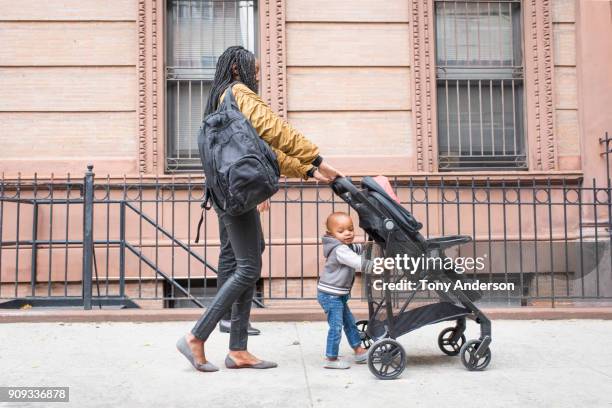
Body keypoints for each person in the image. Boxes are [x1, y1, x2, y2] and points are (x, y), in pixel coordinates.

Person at [176, 45, 344, 372]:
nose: (259, 75)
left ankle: (238, 349)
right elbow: (274, 131)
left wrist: (307, 170)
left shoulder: (220, 99)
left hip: (229, 192)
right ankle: (196, 336)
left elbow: (263, 150)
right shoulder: (240, 93)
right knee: (247, 267)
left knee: (251, 257)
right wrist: (318, 158)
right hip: (237, 193)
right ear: (238, 70)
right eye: (255, 69)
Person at [317, 212, 375, 369]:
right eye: (341, 231)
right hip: (330, 296)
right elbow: (356, 261)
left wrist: (374, 245)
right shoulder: (340, 250)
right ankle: (331, 359)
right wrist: (376, 265)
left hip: (338, 295)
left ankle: (359, 350)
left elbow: (360, 249)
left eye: (350, 229)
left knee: (349, 322)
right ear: (331, 234)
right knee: (336, 326)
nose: (348, 233)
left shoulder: (346, 246)